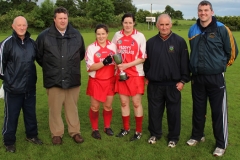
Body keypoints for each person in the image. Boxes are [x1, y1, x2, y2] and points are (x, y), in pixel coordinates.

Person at [186, 1, 238, 157]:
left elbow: (232, 52)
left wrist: (220, 67)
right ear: (198, 12)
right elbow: (193, 52)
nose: (203, 13)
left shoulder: (222, 29)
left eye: (206, 10)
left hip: (216, 78)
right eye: (200, 10)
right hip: (197, 78)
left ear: (212, 12)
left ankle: (221, 144)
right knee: (198, 109)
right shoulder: (192, 30)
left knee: (218, 112)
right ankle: (197, 135)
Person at [36, 6, 85, 145]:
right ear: (54, 19)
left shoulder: (76, 34)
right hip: (53, 79)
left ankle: (75, 132)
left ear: (68, 18)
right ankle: (57, 133)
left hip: (72, 78)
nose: (63, 21)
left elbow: (81, 54)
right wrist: (52, 68)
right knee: (55, 109)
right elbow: (39, 57)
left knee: (72, 107)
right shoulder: (44, 36)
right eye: (60, 18)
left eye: (65, 18)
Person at [143, 14, 190, 148]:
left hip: (173, 84)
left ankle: (173, 137)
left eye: (166, 24)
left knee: (174, 112)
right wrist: (146, 76)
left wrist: (182, 81)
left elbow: (185, 63)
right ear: (157, 25)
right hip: (155, 84)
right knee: (154, 111)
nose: (164, 27)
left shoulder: (179, 41)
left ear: (171, 25)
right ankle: (155, 134)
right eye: (161, 24)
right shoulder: (150, 42)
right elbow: (146, 63)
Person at [0, 16, 43, 153]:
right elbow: (0, 68)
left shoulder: (32, 43)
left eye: (24, 25)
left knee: (31, 114)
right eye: (19, 25)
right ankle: (9, 141)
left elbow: (40, 60)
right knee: (11, 116)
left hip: (30, 88)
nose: (22, 27)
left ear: (27, 26)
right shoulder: (6, 43)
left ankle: (32, 135)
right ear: (13, 26)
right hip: (13, 89)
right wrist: (10, 82)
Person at [112, 13, 146, 141]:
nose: (127, 25)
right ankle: (126, 129)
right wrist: (118, 65)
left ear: (134, 23)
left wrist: (127, 65)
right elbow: (113, 53)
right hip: (121, 74)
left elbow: (142, 57)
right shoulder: (117, 35)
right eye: (125, 22)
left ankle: (138, 131)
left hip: (136, 74)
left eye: (130, 23)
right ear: (122, 23)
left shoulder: (140, 36)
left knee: (136, 103)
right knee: (123, 102)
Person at [85, 24, 116, 139]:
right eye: (98, 34)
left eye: (103, 33)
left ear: (107, 34)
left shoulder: (113, 47)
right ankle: (95, 129)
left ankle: (107, 127)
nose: (101, 36)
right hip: (96, 81)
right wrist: (103, 63)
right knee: (95, 107)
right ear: (96, 34)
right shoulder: (91, 48)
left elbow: (118, 61)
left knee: (108, 106)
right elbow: (90, 67)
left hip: (110, 81)